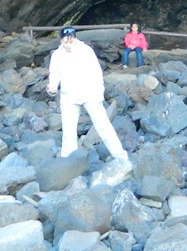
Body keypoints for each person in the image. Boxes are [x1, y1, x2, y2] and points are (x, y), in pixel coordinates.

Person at [46, 27, 129, 162]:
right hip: (68, 96)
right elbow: (54, 76)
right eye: (66, 40)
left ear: (75, 38)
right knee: (68, 132)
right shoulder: (57, 55)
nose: (68, 43)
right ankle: (69, 161)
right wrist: (52, 89)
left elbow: (96, 73)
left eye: (71, 39)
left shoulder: (86, 51)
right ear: (61, 40)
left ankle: (121, 156)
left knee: (103, 126)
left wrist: (99, 93)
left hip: (89, 94)